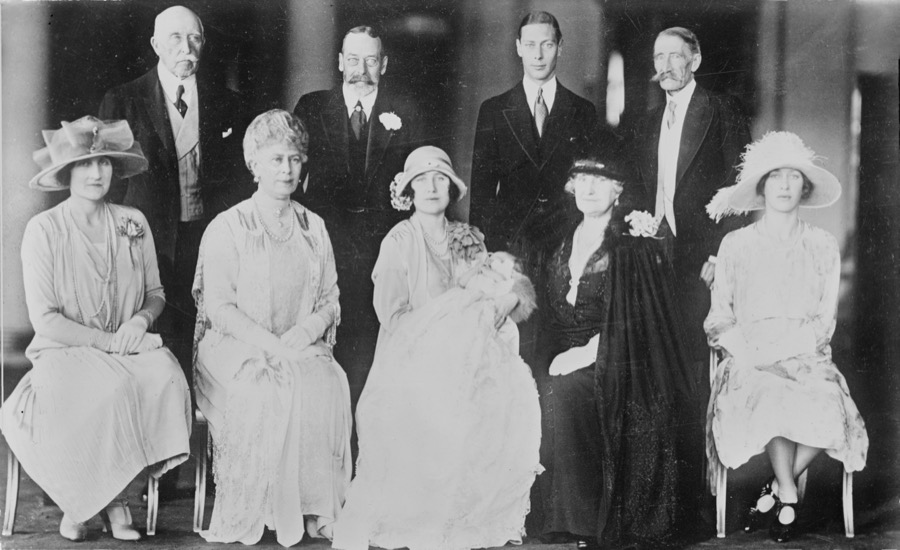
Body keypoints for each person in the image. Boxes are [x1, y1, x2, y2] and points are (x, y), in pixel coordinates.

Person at [331, 146, 542, 550]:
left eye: (440, 179)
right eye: (421, 180)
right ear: (409, 190)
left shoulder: (468, 237)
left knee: (503, 389)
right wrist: (447, 330)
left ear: (452, 190)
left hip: (467, 358)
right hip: (410, 359)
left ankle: (473, 512)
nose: (431, 187)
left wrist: (502, 302)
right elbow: (392, 318)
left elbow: (504, 286)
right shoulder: (399, 241)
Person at [0, 116, 192, 542]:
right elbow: (45, 319)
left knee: (167, 376)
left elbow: (156, 292)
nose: (96, 173)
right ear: (67, 171)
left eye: (104, 163)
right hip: (64, 352)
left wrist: (141, 319)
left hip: (127, 345)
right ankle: (90, 501)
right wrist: (109, 342)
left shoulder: (132, 221)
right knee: (111, 389)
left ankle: (116, 495)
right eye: (86, 164)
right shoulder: (44, 231)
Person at [192, 109, 351, 546]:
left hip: (296, 342)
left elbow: (331, 298)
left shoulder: (313, 227)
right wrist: (269, 344)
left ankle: (315, 507)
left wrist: (308, 330)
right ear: (254, 164)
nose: (287, 168)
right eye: (277, 159)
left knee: (325, 382)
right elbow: (219, 308)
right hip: (233, 345)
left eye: (296, 159)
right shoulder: (229, 226)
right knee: (266, 385)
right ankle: (263, 508)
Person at [704, 132, 869, 543]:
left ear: (805, 187)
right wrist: (755, 356)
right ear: (761, 187)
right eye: (773, 176)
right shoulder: (736, 245)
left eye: (792, 177)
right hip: (749, 361)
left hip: (806, 355)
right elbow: (720, 318)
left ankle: (778, 490)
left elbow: (823, 322)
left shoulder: (823, 246)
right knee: (773, 394)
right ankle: (790, 498)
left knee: (832, 407)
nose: (782, 185)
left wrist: (789, 352)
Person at [531, 154, 702, 548]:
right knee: (538, 385)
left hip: (622, 358)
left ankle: (588, 522)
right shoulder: (562, 240)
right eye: (581, 179)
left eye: (600, 179)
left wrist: (589, 352)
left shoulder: (629, 244)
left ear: (618, 190)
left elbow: (636, 321)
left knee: (568, 389)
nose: (588, 188)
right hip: (565, 353)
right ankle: (559, 516)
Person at [98, 5, 247, 392]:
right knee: (155, 349)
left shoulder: (227, 101)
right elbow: (109, 186)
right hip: (146, 244)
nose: (187, 48)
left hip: (207, 242)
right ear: (155, 45)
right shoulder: (124, 99)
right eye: (176, 39)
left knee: (206, 339)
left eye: (195, 38)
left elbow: (238, 181)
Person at [293, 25, 424, 410]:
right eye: (353, 59)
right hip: (326, 246)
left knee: (370, 348)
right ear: (339, 62)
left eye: (370, 60)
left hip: (380, 249)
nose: (361, 68)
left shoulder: (406, 109)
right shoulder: (312, 106)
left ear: (383, 63)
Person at [470, 10, 604, 368]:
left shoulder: (583, 111)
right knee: (516, 348)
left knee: (560, 345)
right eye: (530, 45)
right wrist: (491, 256)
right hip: (514, 249)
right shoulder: (494, 111)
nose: (539, 55)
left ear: (560, 46)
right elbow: (482, 193)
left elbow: (595, 187)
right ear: (518, 48)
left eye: (547, 45)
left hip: (566, 246)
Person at [633, 26, 751, 375]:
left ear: (695, 60)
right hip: (653, 254)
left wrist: (721, 256)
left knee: (694, 361)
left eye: (674, 56)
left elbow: (740, 188)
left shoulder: (722, 110)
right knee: (653, 358)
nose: (664, 65)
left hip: (702, 259)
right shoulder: (648, 121)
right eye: (658, 56)